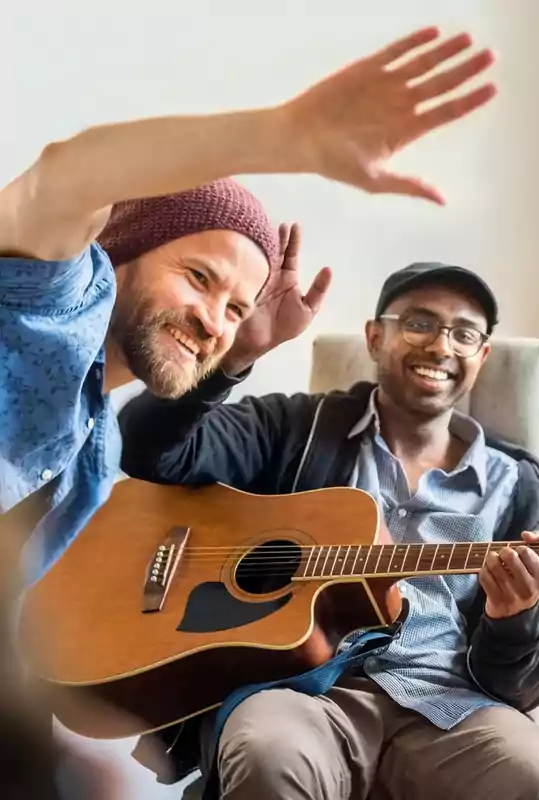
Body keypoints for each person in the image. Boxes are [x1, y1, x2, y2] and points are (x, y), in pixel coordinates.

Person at [0, 24, 497, 589]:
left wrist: (247, 344)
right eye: (198, 276)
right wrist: (284, 136)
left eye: (235, 309)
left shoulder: (96, 457)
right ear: (123, 251)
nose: (214, 320)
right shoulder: (51, 306)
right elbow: (61, 178)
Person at [115, 261, 539, 800]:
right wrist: (237, 355)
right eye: (419, 323)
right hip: (301, 692)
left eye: (464, 333)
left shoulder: (528, 496)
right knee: (268, 755)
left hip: (450, 708)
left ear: (481, 356)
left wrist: (514, 620)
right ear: (375, 337)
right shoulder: (295, 428)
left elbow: (529, 683)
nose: (441, 346)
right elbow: (149, 450)